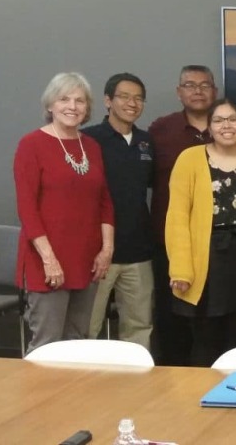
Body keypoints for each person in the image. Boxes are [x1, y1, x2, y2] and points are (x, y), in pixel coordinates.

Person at [166, 99, 236, 367]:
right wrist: (181, 269)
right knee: (205, 338)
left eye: (233, 119)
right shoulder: (190, 159)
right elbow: (177, 218)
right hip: (205, 259)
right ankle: (201, 400)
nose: (226, 126)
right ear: (209, 127)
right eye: (218, 120)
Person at [14, 72, 114, 352]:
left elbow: (105, 201)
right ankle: (38, 398)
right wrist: (49, 259)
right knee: (47, 344)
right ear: (50, 105)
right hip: (47, 260)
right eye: (64, 99)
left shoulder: (91, 146)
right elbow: (27, 208)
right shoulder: (31, 145)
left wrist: (107, 250)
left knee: (78, 342)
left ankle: (74, 397)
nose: (73, 106)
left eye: (80, 100)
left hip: (87, 259)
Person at [147, 64, 216, 366]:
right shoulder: (161, 130)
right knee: (170, 312)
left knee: (212, 315)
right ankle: (173, 375)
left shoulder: (228, 125)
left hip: (217, 240)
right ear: (179, 92)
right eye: (190, 85)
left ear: (214, 91)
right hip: (170, 239)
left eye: (204, 85)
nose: (197, 91)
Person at [82, 73, 155, 348]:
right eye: (124, 96)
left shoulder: (146, 142)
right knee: (88, 327)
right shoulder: (88, 140)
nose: (132, 103)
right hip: (97, 254)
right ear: (108, 101)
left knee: (139, 327)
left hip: (139, 251)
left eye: (138, 98)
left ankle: (136, 388)